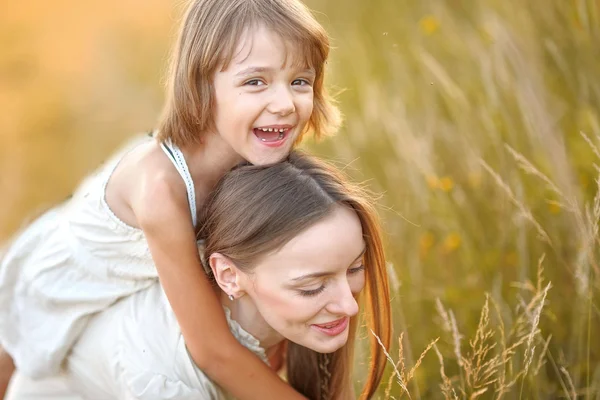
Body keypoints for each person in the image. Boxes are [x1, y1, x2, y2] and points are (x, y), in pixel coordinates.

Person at [0, 0, 342, 398]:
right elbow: (212, 350)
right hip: (52, 282)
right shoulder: (161, 190)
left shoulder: (255, 153)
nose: (285, 103)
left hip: (120, 286)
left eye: (300, 81)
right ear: (201, 85)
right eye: (256, 82)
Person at [5, 151, 392, 400]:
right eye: (311, 287)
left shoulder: (276, 291)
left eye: (355, 268)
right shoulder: (169, 380)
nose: (347, 302)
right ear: (228, 275)